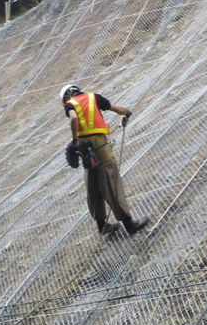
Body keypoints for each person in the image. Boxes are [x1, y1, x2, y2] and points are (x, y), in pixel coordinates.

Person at [60, 84, 149, 236]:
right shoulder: (93, 97)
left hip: (84, 148)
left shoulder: (70, 105)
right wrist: (126, 112)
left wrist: (74, 141)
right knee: (110, 180)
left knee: (93, 185)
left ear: (67, 96)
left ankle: (102, 225)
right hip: (100, 147)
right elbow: (116, 109)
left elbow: (74, 118)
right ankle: (129, 224)